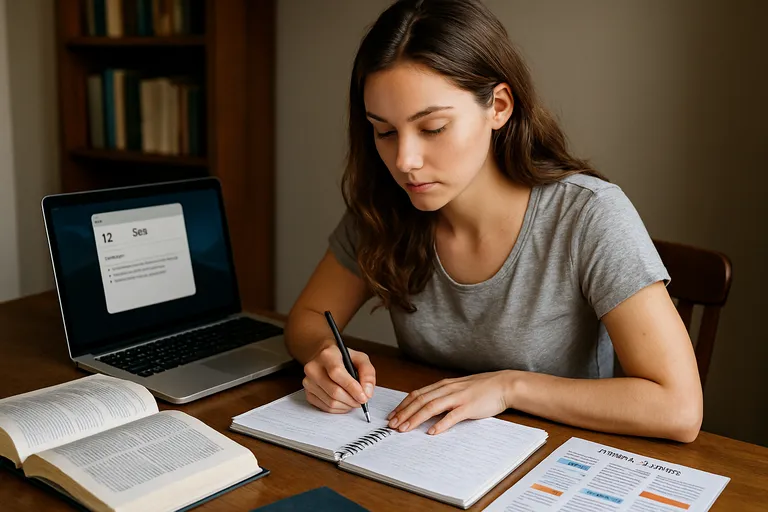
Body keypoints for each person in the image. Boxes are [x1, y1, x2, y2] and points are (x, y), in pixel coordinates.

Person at [284, 0, 703, 443]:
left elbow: (677, 408)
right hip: (427, 452)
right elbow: (308, 318)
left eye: (433, 128)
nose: (405, 161)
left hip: (559, 461)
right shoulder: (385, 209)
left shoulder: (589, 215)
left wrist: (508, 387)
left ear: (499, 107)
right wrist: (325, 355)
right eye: (384, 132)